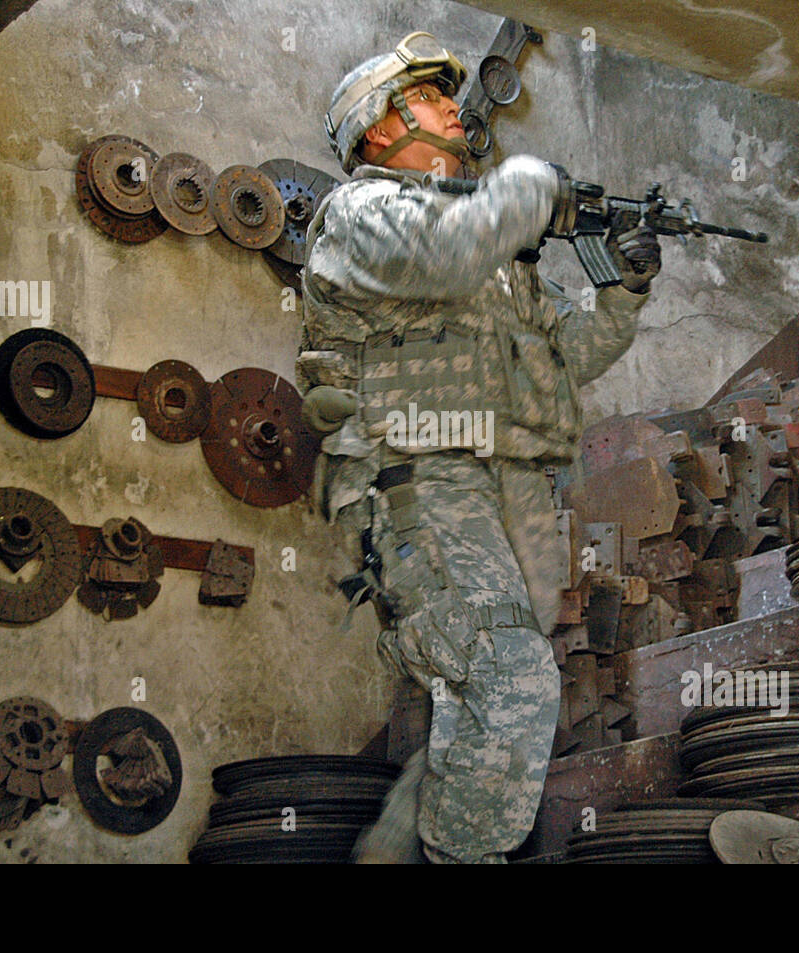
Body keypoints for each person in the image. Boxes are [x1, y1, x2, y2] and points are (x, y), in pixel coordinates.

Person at [297, 31, 661, 863]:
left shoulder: (497, 257)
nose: (452, 111)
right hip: (423, 483)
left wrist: (624, 291)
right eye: (428, 98)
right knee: (509, 677)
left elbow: (565, 354)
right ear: (379, 127)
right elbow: (445, 246)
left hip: (509, 489)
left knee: (482, 700)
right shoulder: (361, 214)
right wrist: (533, 189)